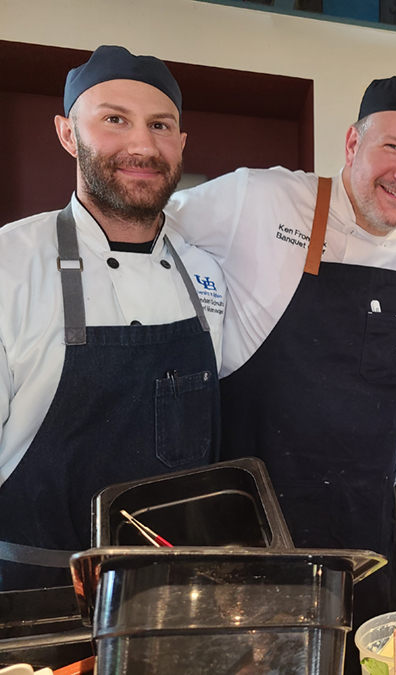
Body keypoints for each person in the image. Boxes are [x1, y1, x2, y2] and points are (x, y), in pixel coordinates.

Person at [164, 76, 396, 662]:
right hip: (250, 547)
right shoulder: (259, 199)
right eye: (392, 148)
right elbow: (141, 237)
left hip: (365, 553)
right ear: (352, 143)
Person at [0, 45, 225, 591]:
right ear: (67, 133)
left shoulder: (207, 274)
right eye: (114, 120)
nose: (142, 145)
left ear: (181, 143)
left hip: (180, 600)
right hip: (41, 605)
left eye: (160, 125)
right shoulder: (11, 264)